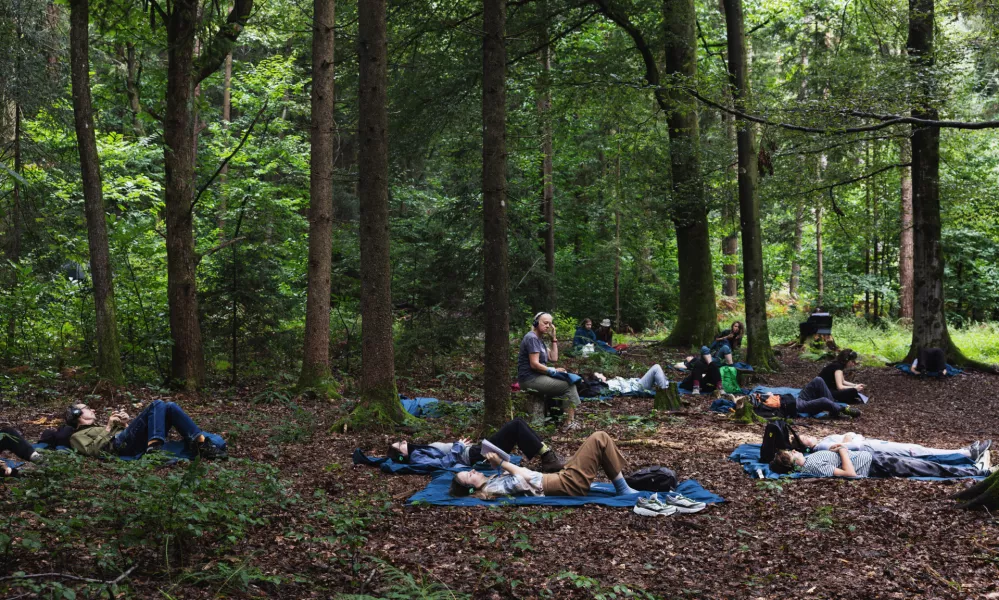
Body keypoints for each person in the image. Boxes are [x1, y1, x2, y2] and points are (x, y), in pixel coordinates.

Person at [449, 431, 638, 498]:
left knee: (592, 444)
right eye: (469, 475)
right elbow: (524, 477)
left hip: (560, 480)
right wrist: (503, 463)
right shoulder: (494, 487)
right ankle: (623, 489)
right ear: (472, 489)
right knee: (599, 438)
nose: (472, 470)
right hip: (566, 484)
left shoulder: (490, 482)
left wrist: (497, 466)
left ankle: (623, 485)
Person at [387, 417, 565, 473]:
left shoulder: (418, 451)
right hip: (474, 456)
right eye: (400, 445)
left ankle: (547, 454)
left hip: (473, 451)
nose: (404, 442)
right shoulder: (417, 458)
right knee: (516, 425)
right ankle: (547, 458)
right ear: (401, 455)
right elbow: (441, 464)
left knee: (518, 424)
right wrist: (457, 446)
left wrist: (459, 445)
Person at [66, 400, 226, 460]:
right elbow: (94, 451)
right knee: (157, 404)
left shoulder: (98, 427)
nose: (92, 410)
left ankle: (200, 443)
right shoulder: (76, 436)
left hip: (128, 442)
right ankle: (154, 448)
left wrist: (125, 424)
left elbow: (128, 435)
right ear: (77, 414)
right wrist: (108, 427)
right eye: (86, 408)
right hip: (118, 448)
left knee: (168, 406)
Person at [770, 445, 991, 479]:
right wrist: (845, 452)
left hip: (875, 458)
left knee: (922, 461)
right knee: (927, 468)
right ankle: (975, 472)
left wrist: (835, 449)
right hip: (875, 466)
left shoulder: (809, 458)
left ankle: (969, 467)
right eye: (792, 453)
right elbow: (850, 475)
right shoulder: (811, 467)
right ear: (791, 462)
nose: (794, 450)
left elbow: (833, 457)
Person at [517, 312, 581, 426]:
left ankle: (559, 417)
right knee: (568, 386)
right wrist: (553, 371)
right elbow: (534, 364)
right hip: (529, 379)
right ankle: (569, 423)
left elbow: (554, 357)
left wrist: (554, 339)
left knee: (568, 379)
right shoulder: (532, 338)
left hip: (538, 377)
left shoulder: (539, 339)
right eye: (545, 323)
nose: (548, 326)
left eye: (550, 324)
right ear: (536, 323)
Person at [798, 432, 991, 461]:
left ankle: (961, 452)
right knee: (916, 452)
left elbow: (854, 437)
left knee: (916, 448)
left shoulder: (825, 439)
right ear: (804, 446)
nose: (807, 435)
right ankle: (965, 454)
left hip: (871, 445)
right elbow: (852, 446)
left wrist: (850, 437)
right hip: (871, 450)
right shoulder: (821, 447)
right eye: (803, 438)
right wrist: (850, 438)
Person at [756, 376, 861, 419]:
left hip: (795, 398)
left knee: (818, 380)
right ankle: (839, 410)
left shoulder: (757, 397)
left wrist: (769, 395)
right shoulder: (759, 408)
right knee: (823, 401)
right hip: (795, 406)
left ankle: (834, 406)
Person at [589, 364, 669, 396]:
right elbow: (624, 390)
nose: (601, 374)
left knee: (660, 375)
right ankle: (665, 392)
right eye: (599, 374)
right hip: (638, 386)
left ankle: (666, 387)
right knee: (656, 367)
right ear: (599, 379)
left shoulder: (609, 383)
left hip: (637, 382)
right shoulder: (609, 386)